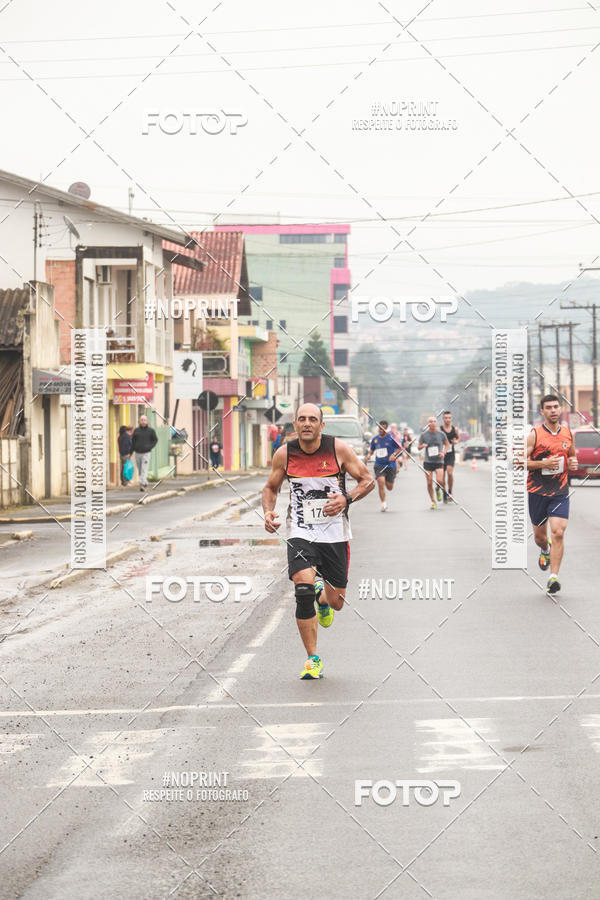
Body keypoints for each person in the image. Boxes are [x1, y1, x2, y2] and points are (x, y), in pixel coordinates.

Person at [262, 402, 374, 679]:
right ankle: (313, 659)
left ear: (322, 425)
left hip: (335, 533)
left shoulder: (339, 450)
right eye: (302, 419)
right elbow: (271, 487)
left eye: (313, 419)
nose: (307, 423)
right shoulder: (284, 454)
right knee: (302, 590)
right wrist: (268, 512)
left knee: (337, 602)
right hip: (300, 531)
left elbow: (367, 480)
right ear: (295, 425)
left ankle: (323, 599)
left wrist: (346, 498)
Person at [526, 394, 577, 594]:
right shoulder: (535, 435)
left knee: (558, 531)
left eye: (556, 407)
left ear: (560, 409)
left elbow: (572, 456)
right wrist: (543, 464)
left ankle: (553, 577)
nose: (553, 410)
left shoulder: (567, 433)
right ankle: (544, 549)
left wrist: (573, 463)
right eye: (549, 407)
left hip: (559, 491)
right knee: (540, 537)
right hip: (537, 491)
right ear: (542, 411)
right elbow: (519, 462)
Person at [365, 419, 403, 511]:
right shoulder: (375, 439)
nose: (381, 430)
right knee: (380, 482)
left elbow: (399, 448)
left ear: (386, 429)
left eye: (383, 429)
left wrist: (393, 455)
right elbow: (372, 450)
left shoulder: (391, 438)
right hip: (379, 465)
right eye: (380, 428)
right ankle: (383, 504)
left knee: (389, 487)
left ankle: (388, 480)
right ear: (378, 428)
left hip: (390, 465)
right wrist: (369, 455)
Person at [418, 417, 450, 509]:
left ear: (436, 423)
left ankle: (437, 489)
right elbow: (418, 447)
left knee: (440, 481)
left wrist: (443, 452)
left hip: (438, 461)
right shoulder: (424, 435)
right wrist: (422, 446)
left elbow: (447, 444)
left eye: (434, 421)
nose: (432, 423)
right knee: (429, 483)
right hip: (428, 462)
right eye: (430, 422)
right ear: (428, 424)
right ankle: (433, 501)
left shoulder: (441, 434)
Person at [131, 414, 158, 491]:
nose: (143, 421)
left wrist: (149, 447)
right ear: (139, 421)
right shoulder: (136, 431)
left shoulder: (151, 431)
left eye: (144, 420)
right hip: (137, 453)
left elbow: (155, 440)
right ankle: (145, 482)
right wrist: (131, 452)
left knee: (144, 468)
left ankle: (142, 484)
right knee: (140, 469)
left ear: (147, 421)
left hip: (146, 453)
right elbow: (133, 442)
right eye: (141, 420)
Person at [440, 411, 459, 503]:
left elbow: (458, 438)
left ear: (451, 419)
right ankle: (444, 493)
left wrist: (456, 441)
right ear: (443, 419)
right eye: (446, 418)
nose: (447, 419)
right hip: (442, 454)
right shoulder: (440, 429)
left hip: (451, 453)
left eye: (449, 418)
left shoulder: (454, 429)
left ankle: (450, 491)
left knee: (449, 472)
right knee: (442, 476)